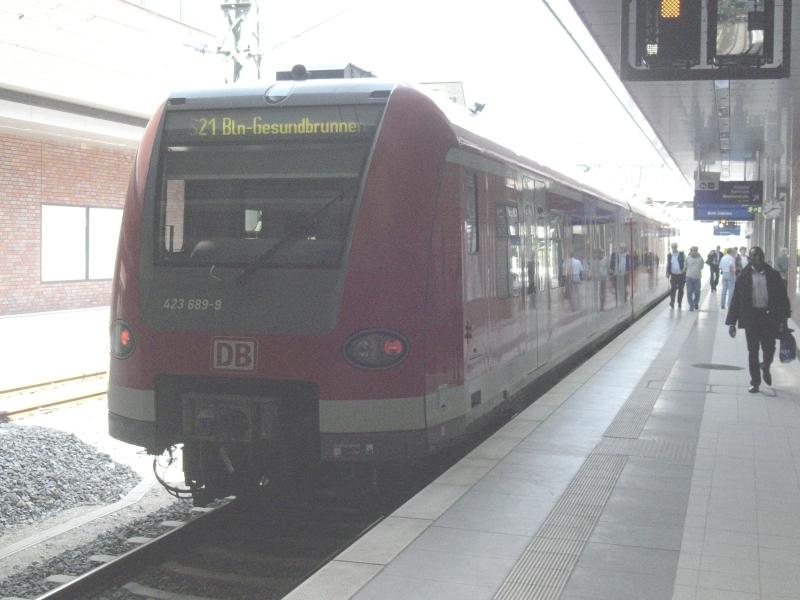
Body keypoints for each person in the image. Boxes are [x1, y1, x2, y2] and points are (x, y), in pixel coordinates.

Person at [726, 246, 791, 393]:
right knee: (753, 350)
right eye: (751, 256)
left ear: (762, 257)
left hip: (769, 317)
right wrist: (732, 323)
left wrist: (784, 318)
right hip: (751, 318)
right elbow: (736, 300)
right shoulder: (744, 276)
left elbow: (782, 297)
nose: (753, 258)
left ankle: (766, 366)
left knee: (769, 348)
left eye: (756, 256)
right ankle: (755, 382)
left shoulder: (773, 275)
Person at [665, 242, 686, 309]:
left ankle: (679, 302)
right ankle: (672, 302)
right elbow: (668, 264)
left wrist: (684, 269)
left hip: (681, 275)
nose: (674, 248)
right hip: (673, 275)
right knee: (673, 289)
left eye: (675, 246)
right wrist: (667, 272)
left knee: (681, 289)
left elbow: (685, 262)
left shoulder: (681, 254)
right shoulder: (669, 255)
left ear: (677, 247)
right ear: (671, 247)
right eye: (672, 247)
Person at [685, 246, 704, 311]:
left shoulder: (701, 259)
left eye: (694, 250)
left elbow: (701, 267)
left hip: (697, 278)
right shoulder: (687, 258)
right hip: (689, 278)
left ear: (697, 251)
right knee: (689, 292)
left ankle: (695, 302)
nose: (693, 252)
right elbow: (685, 266)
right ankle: (691, 305)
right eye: (692, 250)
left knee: (697, 292)